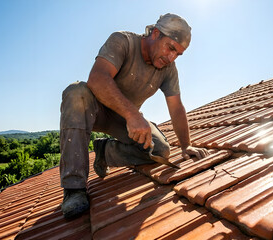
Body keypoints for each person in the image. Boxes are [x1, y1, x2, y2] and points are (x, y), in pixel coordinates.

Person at [59, 13, 209, 219]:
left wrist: (185, 146)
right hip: (95, 111)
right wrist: (132, 114)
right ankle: (74, 189)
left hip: (124, 122)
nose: (172, 57)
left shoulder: (168, 69)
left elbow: (176, 107)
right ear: (155, 33)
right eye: (171, 48)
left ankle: (105, 152)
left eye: (178, 54)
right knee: (76, 92)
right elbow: (97, 78)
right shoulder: (123, 41)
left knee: (160, 151)